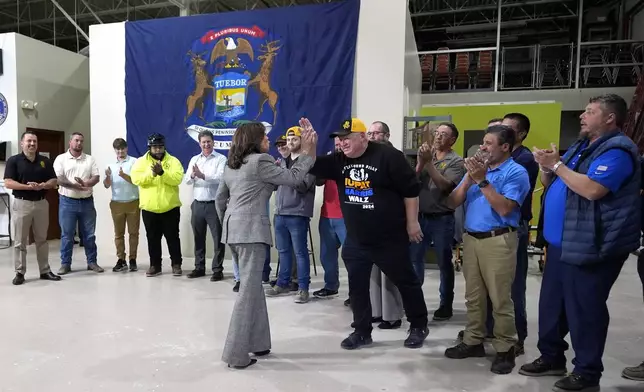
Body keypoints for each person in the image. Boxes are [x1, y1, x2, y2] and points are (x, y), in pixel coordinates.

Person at [521, 94, 641, 391]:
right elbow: (557, 183)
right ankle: (551, 356)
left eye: (590, 112)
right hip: (561, 242)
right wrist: (548, 169)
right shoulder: (581, 146)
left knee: (584, 310)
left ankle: (587, 372)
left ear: (610, 118)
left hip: (592, 245)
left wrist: (558, 166)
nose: (582, 116)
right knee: (552, 305)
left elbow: (592, 190)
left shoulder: (618, 151)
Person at [308, 117, 429, 350]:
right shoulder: (339, 160)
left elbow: (411, 190)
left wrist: (412, 223)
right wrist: (310, 145)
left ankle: (418, 325)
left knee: (406, 282)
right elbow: (312, 165)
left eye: (347, 139)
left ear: (363, 137)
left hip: (389, 237)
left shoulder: (388, 157)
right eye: (339, 140)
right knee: (357, 287)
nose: (342, 143)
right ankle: (362, 331)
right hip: (356, 238)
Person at [216, 121, 317, 369]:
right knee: (248, 293)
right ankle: (235, 355)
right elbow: (294, 178)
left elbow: (220, 200)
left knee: (253, 289)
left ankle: (259, 343)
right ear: (255, 140)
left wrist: (231, 224)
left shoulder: (232, 164)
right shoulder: (261, 162)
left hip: (234, 232)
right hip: (251, 233)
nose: (268, 141)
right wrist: (308, 153)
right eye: (265, 137)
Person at [444, 125, 530, 375]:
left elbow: (505, 209)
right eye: (482, 142)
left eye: (488, 143)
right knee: (474, 296)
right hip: (471, 239)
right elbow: (452, 202)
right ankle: (473, 341)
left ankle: (505, 349)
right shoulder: (477, 170)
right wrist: (469, 179)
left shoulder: (516, 172)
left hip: (498, 240)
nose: (482, 148)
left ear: (505, 147)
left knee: (500, 298)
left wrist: (482, 180)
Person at [412, 122, 465, 322]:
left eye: (444, 134)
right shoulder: (428, 155)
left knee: (444, 262)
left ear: (452, 140)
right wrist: (420, 163)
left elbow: (445, 186)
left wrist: (429, 164)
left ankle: (446, 304)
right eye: (437, 133)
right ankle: (415, 302)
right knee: (415, 259)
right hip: (421, 217)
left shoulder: (456, 161)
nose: (438, 137)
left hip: (442, 218)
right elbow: (412, 181)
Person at [265, 126, 316, 303]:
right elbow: (274, 185)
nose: (290, 142)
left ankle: (303, 288)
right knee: (283, 251)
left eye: (294, 139)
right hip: (279, 213)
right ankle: (282, 283)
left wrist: (285, 174)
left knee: (300, 253)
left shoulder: (308, 162)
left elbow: (303, 186)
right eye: (288, 139)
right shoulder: (283, 162)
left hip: (297, 213)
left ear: (302, 141)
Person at [3, 130, 61, 285]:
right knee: (20, 241)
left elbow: (54, 181)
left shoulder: (44, 161)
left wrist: (43, 185)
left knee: (42, 239)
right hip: (22, 203)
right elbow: (8, 182)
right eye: (29, 141)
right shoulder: (13, 161)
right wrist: (27, 187)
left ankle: (45, 270)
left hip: (42, 203)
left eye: (34, 141)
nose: (32, 144)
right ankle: (20, 272)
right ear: (22, 143)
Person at [366, 120, 404, 329]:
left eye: (376, 133)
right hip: (370, 221)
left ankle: (392, 315)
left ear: (387, 136)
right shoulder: (367, 157)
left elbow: (407, 190)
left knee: (389, 271)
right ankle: (376, 311)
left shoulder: (395, 157)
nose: (371, 136)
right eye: (369, 133)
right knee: (373, 270)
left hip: (390, 220)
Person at [130, 133, 184, 277]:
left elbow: (177, 179)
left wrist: (162, 173)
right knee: (152, 239)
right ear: (150, 148)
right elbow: (136, 179)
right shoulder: (141, 162)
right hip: (149, 208)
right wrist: (152, 174)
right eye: (155, 147)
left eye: (160, 147)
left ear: (164, 146)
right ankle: (155, 266)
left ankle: (176, 265)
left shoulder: (173, 161)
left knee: (173, 238)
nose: (158, 150)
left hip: (170, 207)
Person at [54, 132, 103, 275]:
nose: (79, 143)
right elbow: (59, 179)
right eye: (76, 140)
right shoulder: (61, 159)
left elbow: (96, 177)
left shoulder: (90, 160)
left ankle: (92, 262)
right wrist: (75, 186)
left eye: (81, 141)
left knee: (89, 235)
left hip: (87, 202)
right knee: (67, 235)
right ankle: (65, 264)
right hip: (67, 202)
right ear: (70, 142)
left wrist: (86, 183)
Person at [185, 130, 227, 281]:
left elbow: (221, 179)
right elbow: (187, 181)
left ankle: (217, 269)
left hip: (214, 205)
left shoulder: (221, 159)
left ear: (213, 142)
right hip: (197, 205)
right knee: (198, 238)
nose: (206, 144)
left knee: (218, 239)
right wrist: (192, 175)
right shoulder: (194, 159)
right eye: (203, 142)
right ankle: (199, 267)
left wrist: (202, 176)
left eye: (208, 141)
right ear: (199, 143)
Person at [312, 137, 347, 299]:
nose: (339, 146)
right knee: (326, 255)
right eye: (337, 144)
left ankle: (356, 291)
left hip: (345, 217)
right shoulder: (330, 160)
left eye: (342, 143)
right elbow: (319, 182)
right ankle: (331, 285)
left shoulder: (354, 161)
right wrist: (322, 167)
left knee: (351, 256)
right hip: (327, 214)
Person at [103, 138, 140, 272]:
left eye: (122, 148)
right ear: (115, 150)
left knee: (133, 233)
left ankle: (133, 259)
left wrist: (124, 175)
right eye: (118, 149)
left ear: (127, 148)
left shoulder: (134, 162)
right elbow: (107, 185)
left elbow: (137, 181)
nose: (120, 151)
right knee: (118, 234)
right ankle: (121, 259)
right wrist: (107, 177)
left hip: (133, 202)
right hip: (117, 202)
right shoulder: (110, 166)